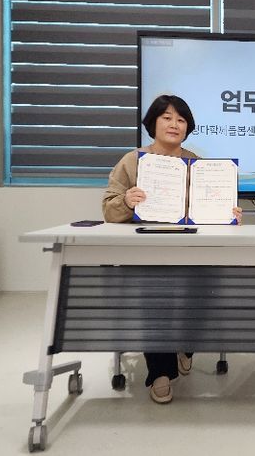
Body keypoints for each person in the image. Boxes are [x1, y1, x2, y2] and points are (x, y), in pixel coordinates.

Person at [102, 94, 243, 404]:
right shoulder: (132, 161)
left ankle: (185, 347)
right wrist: (126, 201)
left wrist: (228, 214)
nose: (174, 124)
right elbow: (109, 209)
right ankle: (161, 373)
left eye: (181, 120)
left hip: (193, 251)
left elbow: (211, 210)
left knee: (206, 291)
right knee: (156, 301)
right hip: (147, 253)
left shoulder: (197, 164)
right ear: (152, 122)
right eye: (166, 117)